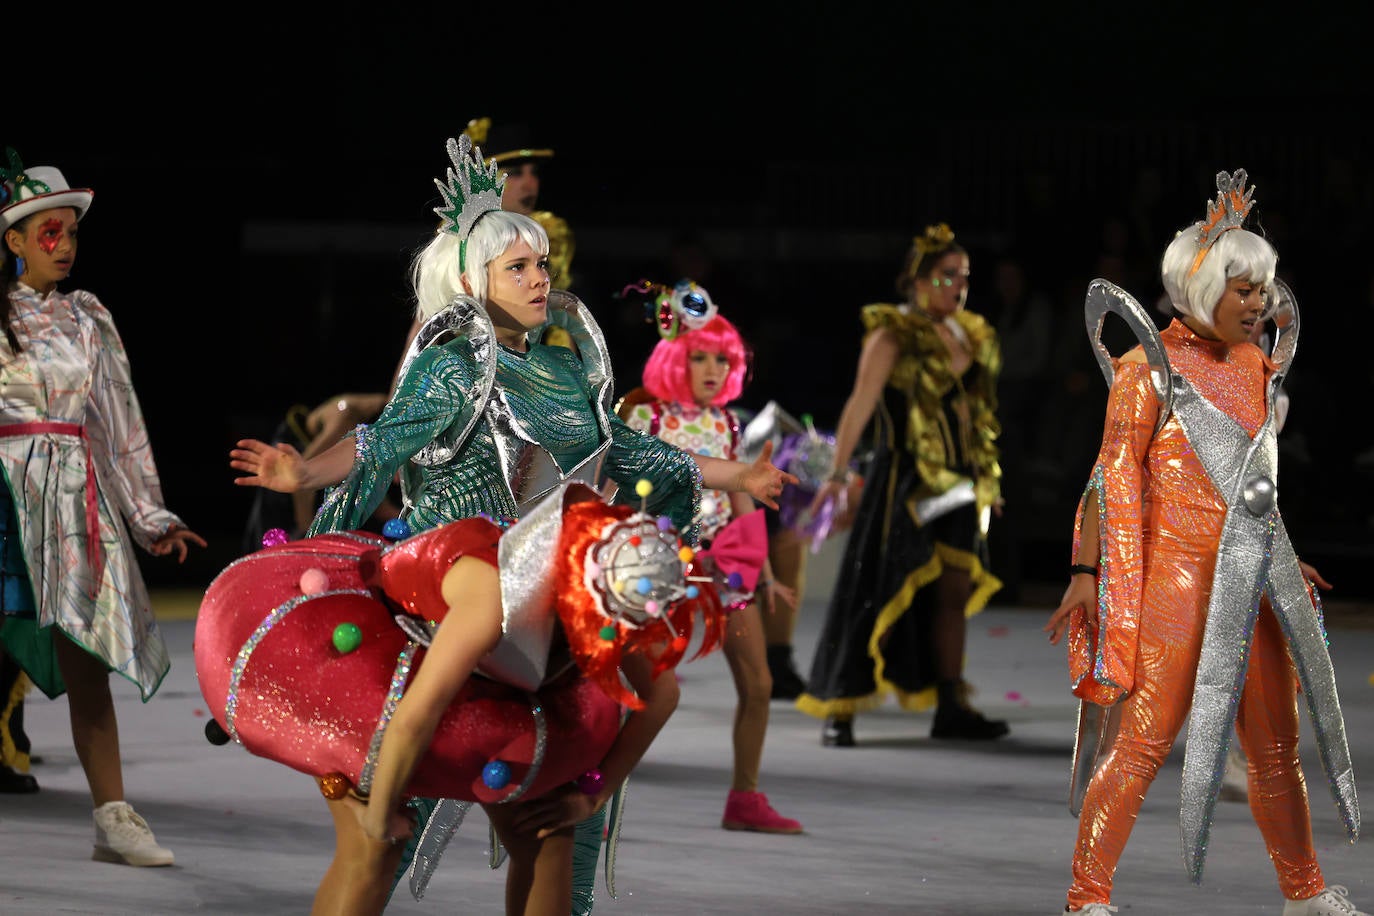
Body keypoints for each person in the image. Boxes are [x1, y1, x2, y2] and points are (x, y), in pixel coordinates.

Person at [226, 134, 797, 915]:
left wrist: (737, 475)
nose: (540, 278)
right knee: (373, 859)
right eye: (518, 267)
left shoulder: (564, 368)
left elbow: (629, 448)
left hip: (536, 589)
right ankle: (389, 790)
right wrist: (301, 471)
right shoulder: (453, 362)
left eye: (543, 265)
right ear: (471, 280)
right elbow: (382, 439)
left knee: (566, 823)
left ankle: (575, 805)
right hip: (445, 580)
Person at [1044, 169, 1364, 915]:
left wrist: (1282, 553)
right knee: (1145, 743)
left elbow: (1254, 483)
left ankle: (1304, 893)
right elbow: (1106, 476)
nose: (1260, 304)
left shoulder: (1255, 366)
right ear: (1201, 288)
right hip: (1176, 581)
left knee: (1276, 751)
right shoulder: (1143, 370)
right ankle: (1087, 895)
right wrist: (1088, 570)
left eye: (1264, 290)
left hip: (1252, 577)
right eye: (1244, 289)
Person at [197, 480, 728, 916]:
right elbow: (414, 717)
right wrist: (381, 816)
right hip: (378, 661)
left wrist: (593, 795)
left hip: (498, 683)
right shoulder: (488, 595)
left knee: (548, 838)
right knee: (373, 850)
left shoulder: (621, 585)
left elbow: (661, 696)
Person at [0, 148, 206, 863]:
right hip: (4, 496)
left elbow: (117, 424)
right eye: (47, 233)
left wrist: (150, 515)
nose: (64, 246)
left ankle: (114, 819)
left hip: (66, 505)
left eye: (71, 233)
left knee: (85, 657)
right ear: (14, 240)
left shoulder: (88, 318)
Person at [796, 223, 1008, 747]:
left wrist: (989, 478)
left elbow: (978, 416)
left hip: (959, 481)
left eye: (964, 277)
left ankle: (951, 703)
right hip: (904, 480)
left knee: (953, 591)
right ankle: (841, 707)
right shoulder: (892, 333)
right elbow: (860, 404)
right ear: (918, 279)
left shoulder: (970, 332)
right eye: (945, 277)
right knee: (879, 587)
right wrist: (839, 473)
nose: (957, 287)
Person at [616, 279, 803, 833]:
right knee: (633, 689)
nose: (714, 370)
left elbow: (740, 494)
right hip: (657, 565)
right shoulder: (644, 416)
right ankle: (596, 786)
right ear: (676, 358)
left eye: (723, 360)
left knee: (760, 684)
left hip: (721, 565)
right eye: (701, 358)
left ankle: (744, 797)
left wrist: (763, 572)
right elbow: (617, 487)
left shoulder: (726, 423)